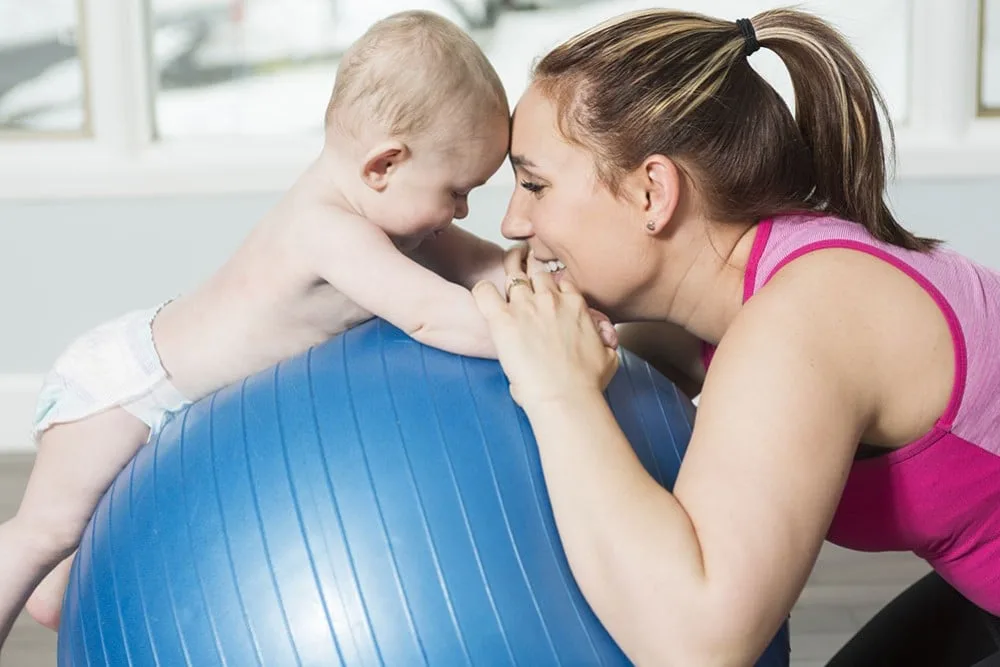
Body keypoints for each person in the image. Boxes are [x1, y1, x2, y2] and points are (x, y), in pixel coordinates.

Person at [0, 10, 617, 650]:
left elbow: (485, 266)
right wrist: (544, 340)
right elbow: (431, 313)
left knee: (58, 594)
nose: (461, 211)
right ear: (384, 165)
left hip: (180, 406)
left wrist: (551, 289)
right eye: (456, 191)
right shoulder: (327, 229)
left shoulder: (396, 211)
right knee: (45, 534)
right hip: (128, 388)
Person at [471, 8, 1000, 666]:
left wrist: (560, 395)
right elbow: (593, 343)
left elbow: (698, 645)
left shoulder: (806, 317)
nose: (513, 222)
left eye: (535, 185)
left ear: (651, 192)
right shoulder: (754, 283)